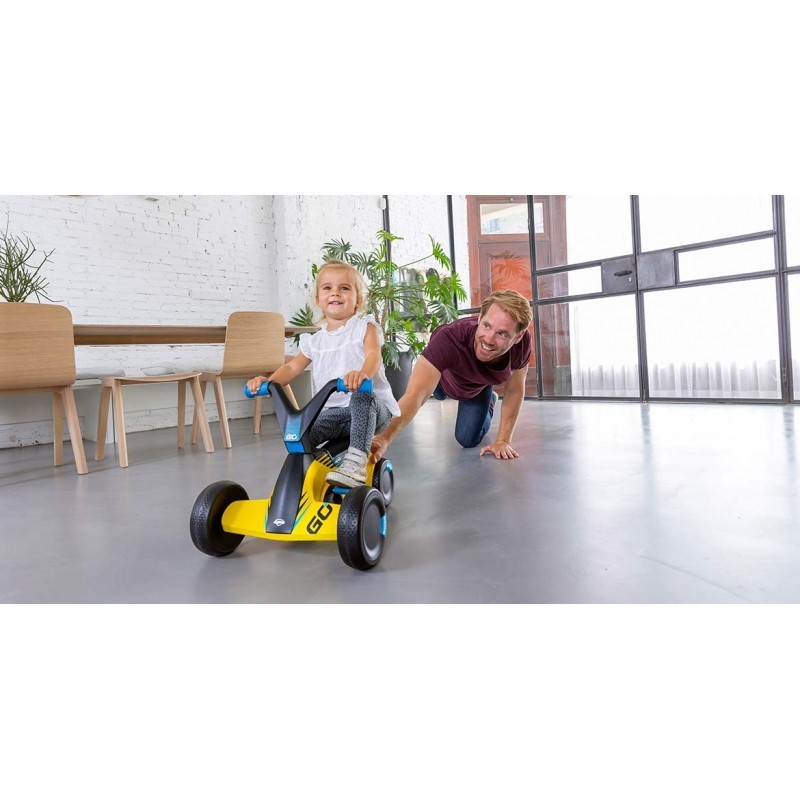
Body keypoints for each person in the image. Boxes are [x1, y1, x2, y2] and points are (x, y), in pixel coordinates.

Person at [247, 260, 400, 489]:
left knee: (361, 397)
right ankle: (316, 470)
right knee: (302, 432)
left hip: (372, 409)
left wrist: (362, 374)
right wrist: (268, 383)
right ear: (318, 299)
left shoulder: (364, 328)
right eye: (327, 288)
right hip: (335, 413)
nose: (335, 293)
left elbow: (373, 355)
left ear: (358, 300)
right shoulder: (315, 341)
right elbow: (292, 367)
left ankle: (355, 466)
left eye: (344, 288)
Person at [370, 289, 532, 463]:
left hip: (477, 387)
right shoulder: (450, 339)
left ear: (518, 336)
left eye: (502, 334)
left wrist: (503, 441)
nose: (489, 339)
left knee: (467, 440)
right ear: (479, 318)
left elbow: (515, 390)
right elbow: (416, 394)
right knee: (438, 393)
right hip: (444, 378)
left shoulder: (521, 345)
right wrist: (384, 437)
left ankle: (489, 399)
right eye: (487, 326)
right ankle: (440, 384)